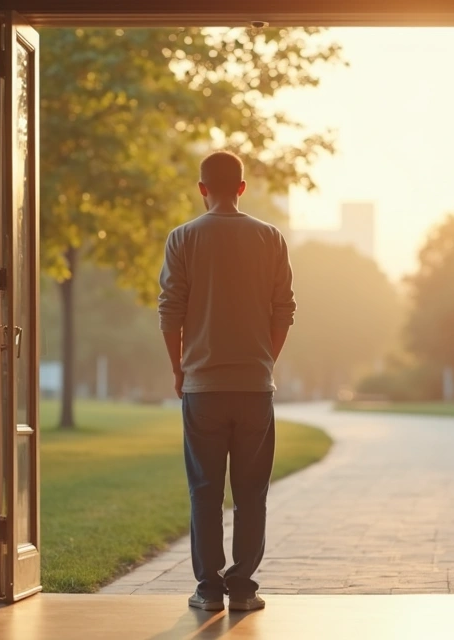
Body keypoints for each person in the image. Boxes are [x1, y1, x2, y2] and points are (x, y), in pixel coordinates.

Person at [157, 150, 296, 612]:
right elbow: (284, 311)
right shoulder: (270, 238)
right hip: (254, 387)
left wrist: (179, 368)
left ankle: (208, 589)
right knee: (251, 491)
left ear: (201, 188)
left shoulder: (182, 239)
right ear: (241, 188)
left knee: (205, 490)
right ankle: (242, 588)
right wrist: (264, 363)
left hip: (203, 389)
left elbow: (170, 311)